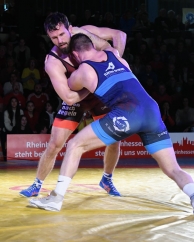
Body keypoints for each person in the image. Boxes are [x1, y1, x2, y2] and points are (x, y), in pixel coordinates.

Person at [29, 33, 194, 215]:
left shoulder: (83, 70)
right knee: (173, 168)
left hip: (128, 114)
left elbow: (69, 89)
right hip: (152, 111)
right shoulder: (116, 55)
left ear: (75, 55)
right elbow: (117, 43)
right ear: (92, 46)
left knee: (75, 145)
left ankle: (55, 198)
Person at [19, 12, 127, 198]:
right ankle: (37, 184)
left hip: (99, 96)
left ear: (70, 29)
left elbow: (120, 36)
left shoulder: (87, 34)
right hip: (77, 98)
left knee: (114, 139)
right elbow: (68, 98)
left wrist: (114, 67)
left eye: (62, 34)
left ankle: (106, 179)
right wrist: (92, 85)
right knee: (54, 144)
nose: (59, 41)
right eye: (54, 37)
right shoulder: (53, 61)